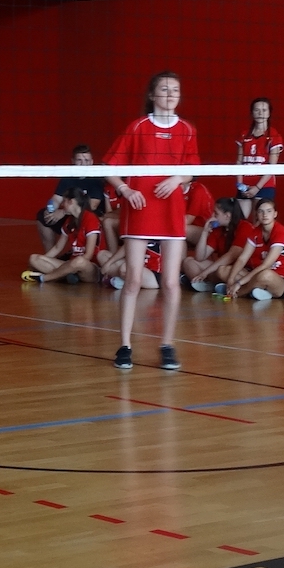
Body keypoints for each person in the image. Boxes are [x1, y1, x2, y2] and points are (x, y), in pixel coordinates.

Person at [103, 71, 198, 371]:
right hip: (140, 208)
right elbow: (108, 167)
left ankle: (167, 345)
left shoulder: (187, 130)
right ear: (152, 95)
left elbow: (192, 169)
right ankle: (125, 345)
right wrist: (125, 190)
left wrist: (176, 179)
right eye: (165, 89)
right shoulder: (137, 127)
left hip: (171, 210)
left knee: (170, 281)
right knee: (132, 278)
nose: (171, 95)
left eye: (175, 90)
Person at [223, 198, 284, 301]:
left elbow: (266, 265)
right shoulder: (255, 232)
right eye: (261, 211)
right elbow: (242, 259)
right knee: (224, 270)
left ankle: (239, 293)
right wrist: (230, 279)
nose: (265, 215)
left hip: (283, 280)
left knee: (265, 275)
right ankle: (259, 292)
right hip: (258, 274)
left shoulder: (280, 233)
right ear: (256, 214)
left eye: (269, 211)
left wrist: (238, 283)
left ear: (275, 214)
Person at [22, 190, 102, 284]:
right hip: (71, 264)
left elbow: (88, 255)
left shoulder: (90, 218)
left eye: (64, 201)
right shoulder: (69, 221)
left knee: (79, 261)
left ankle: (45, 278)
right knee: (34, 258)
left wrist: (69, 266)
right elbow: (57, 247)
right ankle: (67, 276)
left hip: (89, 266)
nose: (62, 205)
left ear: (71, 201)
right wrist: (41, 260)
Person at [36, 145, 107, 251]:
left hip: (90, 215)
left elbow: (92, 205)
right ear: (73, 161)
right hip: (70, 213)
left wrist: (63, 212)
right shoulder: (68, 177)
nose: (83, 164)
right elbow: (56, 199)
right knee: (43, 216)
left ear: (92, 162)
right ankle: (50, 254)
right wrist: (50, 209)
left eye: (87, 160)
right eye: (79, 160)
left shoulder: (96, 179)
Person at [183, 196, 246, 293]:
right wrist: (205, 232)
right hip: (221, 268)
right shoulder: (218, 230)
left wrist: (205, 273)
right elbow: (199, 257)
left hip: (240, 270)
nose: (212, 216)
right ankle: (212, 286)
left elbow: (231, 256)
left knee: (221, 270)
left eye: (216, 213)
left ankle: (223, 286)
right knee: (188, 262)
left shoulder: (244, 226)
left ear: (227, 215)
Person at [233, 97, 283, 215]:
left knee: (259, 220)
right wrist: (240, 185)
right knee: (239, 220)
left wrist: (257, 187)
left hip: (264, 185)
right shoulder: (244, 135)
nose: (260, 113)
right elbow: (239, 162)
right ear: (252, 113)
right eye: (257, 110)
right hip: (245, 185)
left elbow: (272, 167)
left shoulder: (274, 136)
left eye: (264, 110)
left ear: (269, 113)